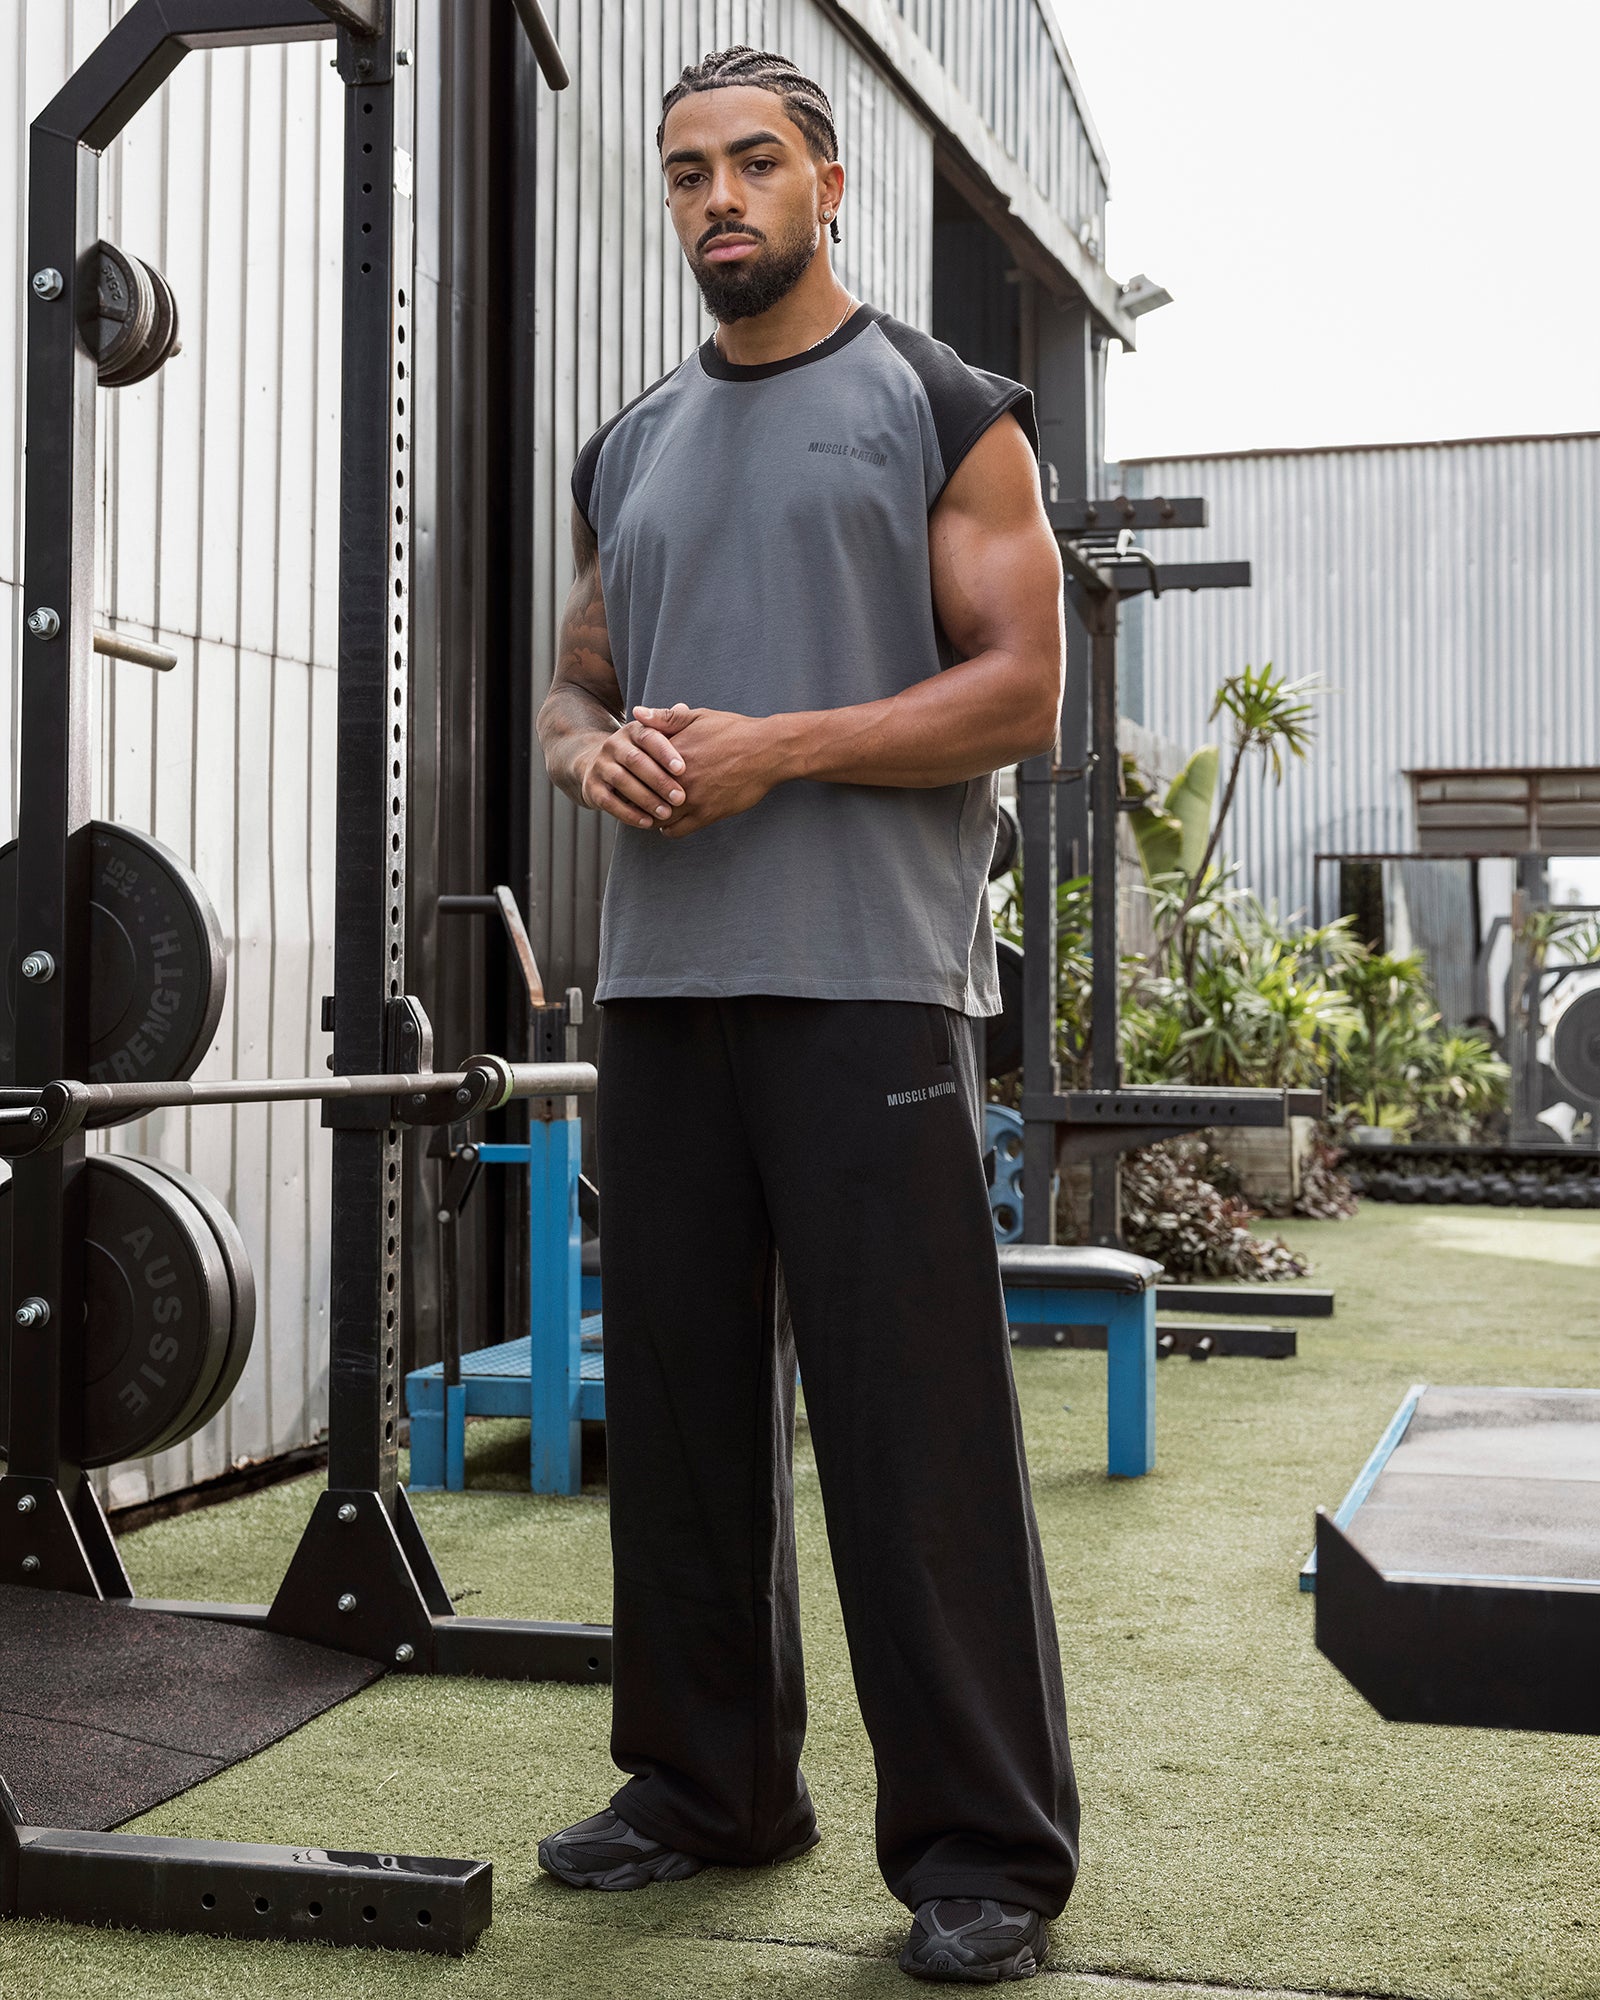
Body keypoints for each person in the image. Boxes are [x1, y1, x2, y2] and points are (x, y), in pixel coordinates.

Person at [534, 44, 1078, 1986]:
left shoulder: (942, 406)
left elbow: (1018, 690)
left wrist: (785, 748)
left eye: (751, 164)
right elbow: (576, 681)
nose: (715, 200)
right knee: (679, 1413)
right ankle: (705, 1787)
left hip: (865, 983)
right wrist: (590, 755)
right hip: (664, 988)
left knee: (909, 1426)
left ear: (825, 183)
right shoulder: (629, 440)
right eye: (686, 171)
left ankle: (980, 1851)